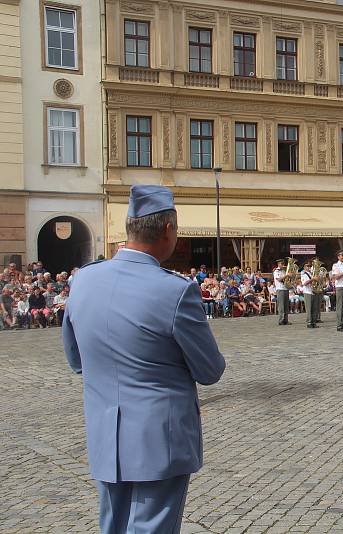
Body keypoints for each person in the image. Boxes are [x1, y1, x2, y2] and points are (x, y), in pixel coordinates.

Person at [62, 184, 225, 534]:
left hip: (107, 433)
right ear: (168, 230)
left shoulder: (83, 280)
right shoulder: (175, 289)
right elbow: (210, 370)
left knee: (114, 525)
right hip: (158, 438)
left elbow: (76, 359)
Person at [300, 260, 318, 328]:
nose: (309, 267)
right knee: (309, 308)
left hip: (313, 291)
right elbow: (304, 283)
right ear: (304, 267)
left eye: (310, 266)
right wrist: (313, 279)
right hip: (307, 292)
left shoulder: (311, 273)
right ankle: (309, 322)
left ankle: (313, 322)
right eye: (307, 266)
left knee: (314, 308)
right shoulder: (303, 273)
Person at [273, 259, 291, 325]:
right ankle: (281, 320)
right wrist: (286, 275)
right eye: (281, 263)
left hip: (286, 288)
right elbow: (279, 279)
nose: (283, 265)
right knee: (281, 306)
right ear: (278, 264)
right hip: (280, 289)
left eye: (283, 263)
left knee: (286, 305)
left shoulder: (284, 270)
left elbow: (287, 280)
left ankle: (286, 320)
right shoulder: (276, 271)